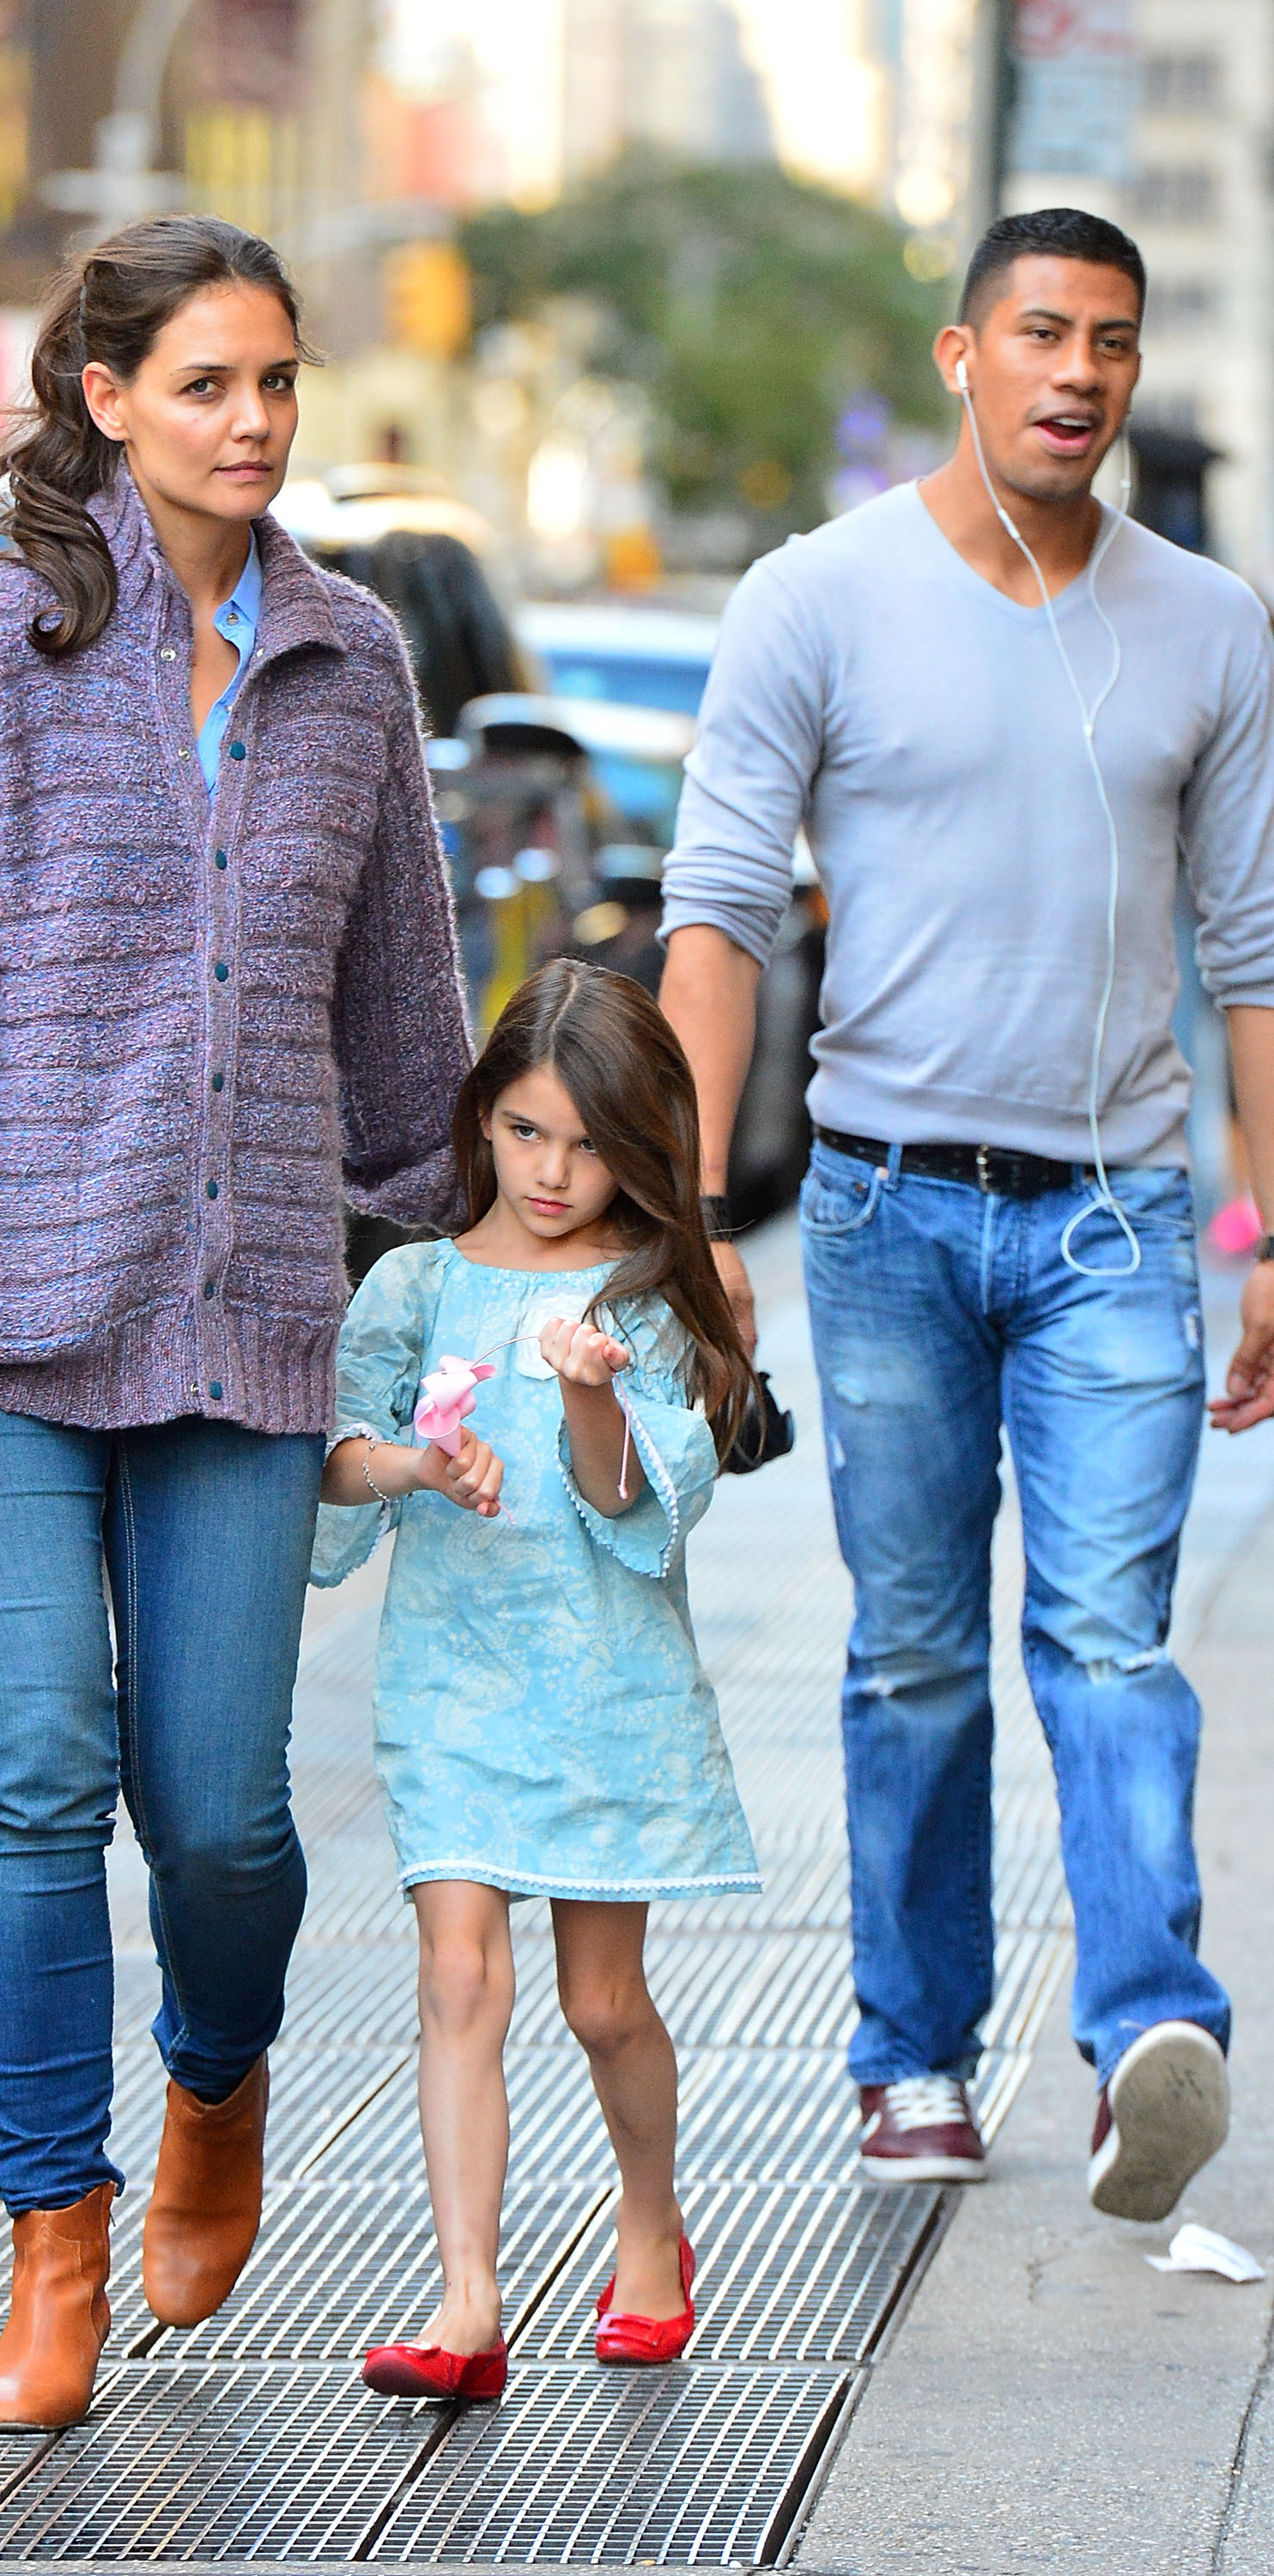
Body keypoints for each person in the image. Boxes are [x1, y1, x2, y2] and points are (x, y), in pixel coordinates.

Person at [0, 214, 472, 2427]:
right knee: (33, 1787)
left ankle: (214, 2079)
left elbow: (404, 1017)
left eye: (276, 381)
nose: (253, 421)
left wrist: (402, 1255)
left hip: (248, 1328)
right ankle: (48, 2252)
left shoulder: (353, 660)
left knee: (218, 1821)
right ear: (101, 400)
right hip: (1, 1323)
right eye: (205, 382)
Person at [658, 207, 1274, 2218]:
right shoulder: (810, 597)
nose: (1075, 372)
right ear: (957, 354)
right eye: (1038, 332)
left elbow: (1251, 944)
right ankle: (910, 2053)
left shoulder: (1209, 625)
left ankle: (1141, 2039)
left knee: (1108, 1637)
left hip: (1116, 1219)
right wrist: (681, 1220)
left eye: (1107, 339)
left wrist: (1268, 1232)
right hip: (883, 1214)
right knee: (912, 1653)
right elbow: (720, 908)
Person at [312, 959, 760, 2399]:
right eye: (523, 1132)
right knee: (457, 1976)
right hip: (452, 1680)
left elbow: (639, 1509)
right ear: (478, 1123)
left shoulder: (644, 1300)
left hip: (603, 1688)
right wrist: (413, 1463)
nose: (555, 1172)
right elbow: (333, 1467)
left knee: (603, 2006)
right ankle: (466, 2305)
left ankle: (650, 2227)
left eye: (588, 1143)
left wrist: (583, 1392)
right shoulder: (416, 1285)